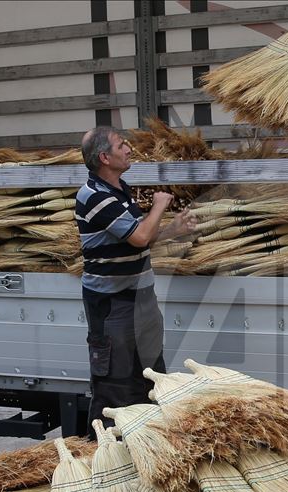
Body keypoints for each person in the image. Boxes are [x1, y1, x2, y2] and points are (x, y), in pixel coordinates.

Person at [76, 126, 196, 434]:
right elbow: (141, 235)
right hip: (113, 307)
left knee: (151, 379)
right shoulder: (94, 197)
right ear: (105, 157)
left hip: (141, 300)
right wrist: (159, 206)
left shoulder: (120, 190)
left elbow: (137, 240)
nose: (129, 149)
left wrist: (172, 231)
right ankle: (101, 459)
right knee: (114, 387)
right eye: (121, 145)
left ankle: (147, 448)